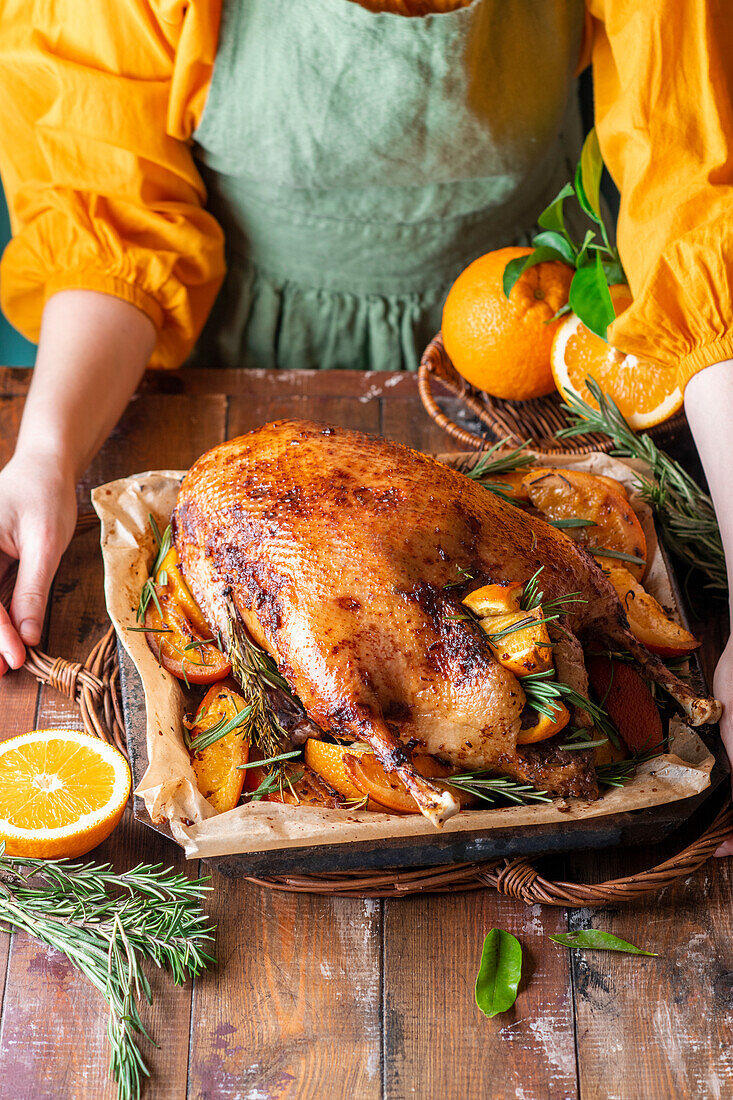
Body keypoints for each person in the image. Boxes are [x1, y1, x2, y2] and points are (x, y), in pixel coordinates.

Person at [1, 1, 733, 846]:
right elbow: (110, 216)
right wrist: (48, 456)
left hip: (514, 359)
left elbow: (698, 206)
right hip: (244, 357)